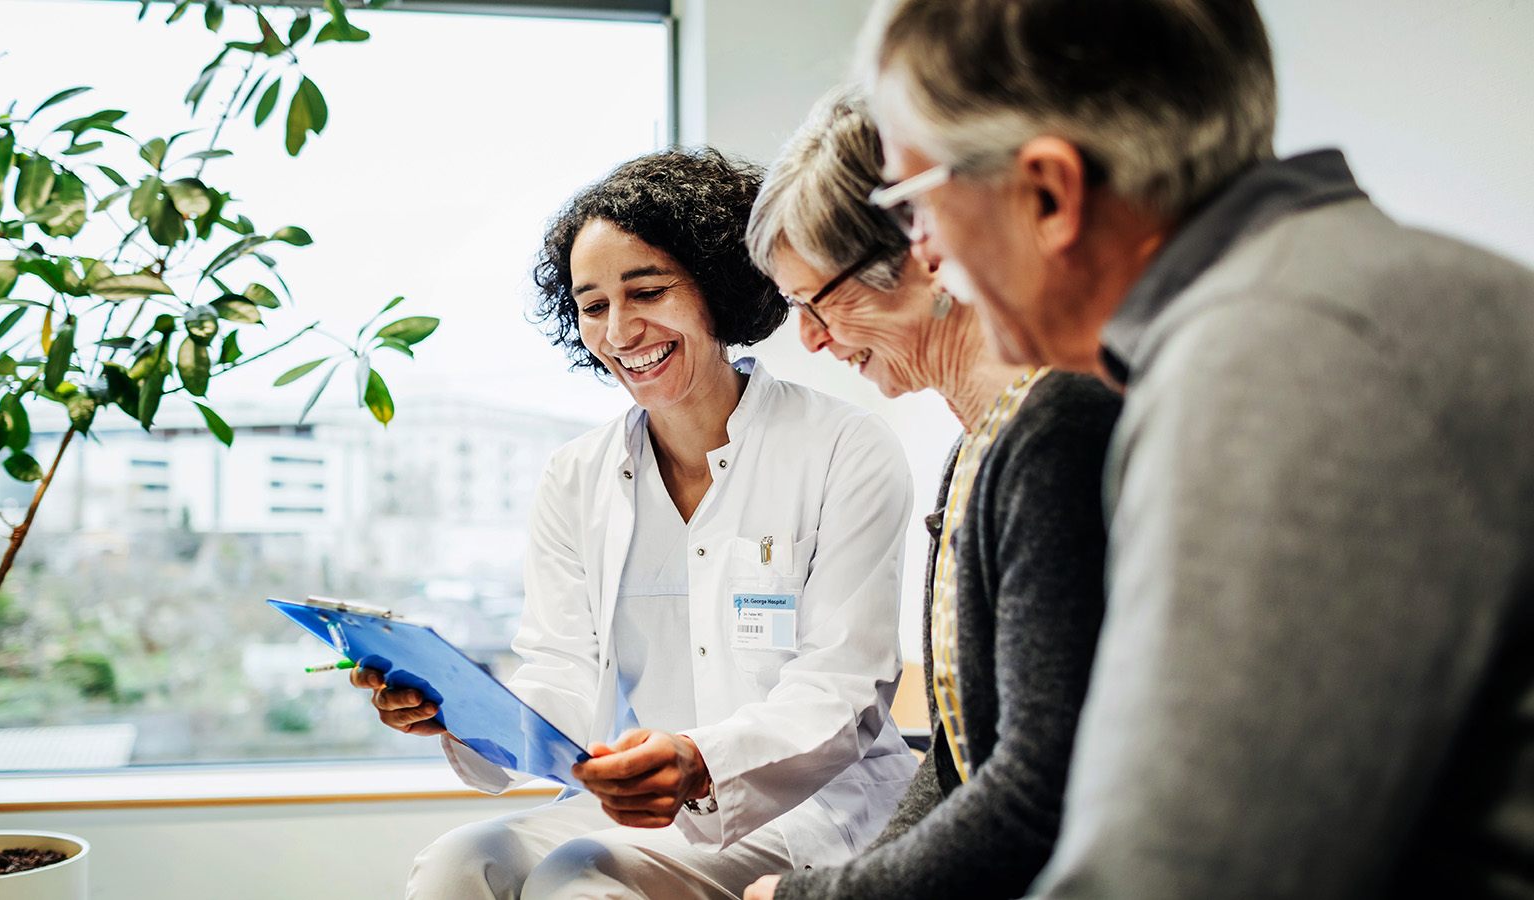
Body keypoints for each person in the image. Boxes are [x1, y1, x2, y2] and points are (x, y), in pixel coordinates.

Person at [858, 1, 1534, 898]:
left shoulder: (1271, 357)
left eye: (914, 205)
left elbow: (1182, 875)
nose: (926, 250)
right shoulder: (1349, 291)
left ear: (1049, 194)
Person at [353, 148, 919, 900]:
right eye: (593, 306)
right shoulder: (575, 476)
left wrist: (697, 757)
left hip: (815, 806)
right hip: (640, 807)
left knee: (579, 882)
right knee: (459, 863)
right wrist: (457, 711)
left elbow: (845, 687)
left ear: (718, 290)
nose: (619, 331)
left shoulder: (844, 448)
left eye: (646, 291)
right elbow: (560, 673)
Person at [739, 90, 1121, 900]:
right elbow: (954, 761)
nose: (808, 338)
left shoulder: (1059, 429)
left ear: (923, 249)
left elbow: (1036, 793)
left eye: (820, 301)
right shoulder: (970, 450)